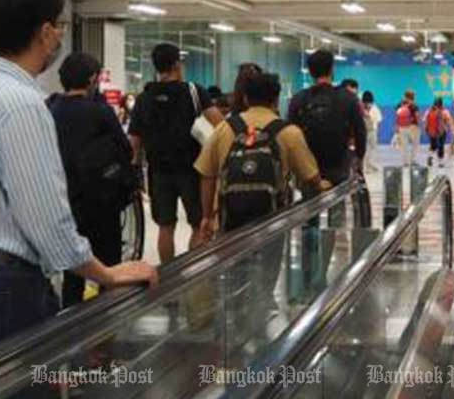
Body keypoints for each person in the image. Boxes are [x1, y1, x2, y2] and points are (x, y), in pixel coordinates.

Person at [0, 0, 156, 362]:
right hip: (4, 292)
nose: (60, 37)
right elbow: (46, 217)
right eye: (60, 27)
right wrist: (107, 274)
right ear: (45, 32)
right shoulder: (21, 103)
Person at [48, 52, 136, 308]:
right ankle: (104, 318)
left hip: (64, 199)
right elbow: (125, 149)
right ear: (91, 79)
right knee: (108, 263)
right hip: (101, 199)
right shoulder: (100, 112)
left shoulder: (51, 108)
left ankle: (70, 318)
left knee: (72, 267)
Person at [195, 72, 326, 242]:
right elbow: (310, 177)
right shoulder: (288, 132)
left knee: (232, 265)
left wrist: (207, 216)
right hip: (274, 224)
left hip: (231, 224)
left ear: (246, 99)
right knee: (271, 265)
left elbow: (207, 174)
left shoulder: (224, 129)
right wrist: (322, 183)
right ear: (276, 99)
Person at [128, 43, 210, 261]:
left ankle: (168, 274)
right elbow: (220, 126)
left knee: (166, 226)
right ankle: (193, 271)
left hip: (158, 171)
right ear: (176, 64)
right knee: (197, 224)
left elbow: (133, 142)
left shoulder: (144, 99)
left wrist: (133, 170)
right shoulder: (194, 91)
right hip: (191, 169)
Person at [287, 49, 367, 189]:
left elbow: (290, 134)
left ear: (310, 72)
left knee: (310, 206)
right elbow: (360, 131)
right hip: (339, 164)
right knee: (337, 205)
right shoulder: (348, 98)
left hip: (309, 167)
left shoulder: (299, 99)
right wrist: (358, 158)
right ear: (331, 70)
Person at [394, 91, 420, 167]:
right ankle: (412, 161)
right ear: (413, 97)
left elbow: (397, 115)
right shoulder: (414, 105)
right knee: (415, 144)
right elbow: (417, 116)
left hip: (402, 127)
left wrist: (397, 127)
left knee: (404, 145)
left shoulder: (399, 104)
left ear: (405, 96)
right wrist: (418, 126)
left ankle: (405, 162)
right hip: (412, 126)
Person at [424, 97, 450, 168]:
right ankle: (440, 162)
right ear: (442, 103)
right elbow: (448, 121)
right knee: (441, 146)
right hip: (442, 131)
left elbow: (425, 120)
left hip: (432, 130)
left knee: (433, 145)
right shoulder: (445, 111)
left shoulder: (429, 111)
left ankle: (430, 156)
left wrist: (427, 129)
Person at [361, 90, 383, 171]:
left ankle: (365, 167)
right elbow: (379, 119)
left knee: (364, 149)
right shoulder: (374, 107)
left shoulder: (360, 107)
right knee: (373, 148)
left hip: (362, 131)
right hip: (373, 130)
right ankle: (370, 164)